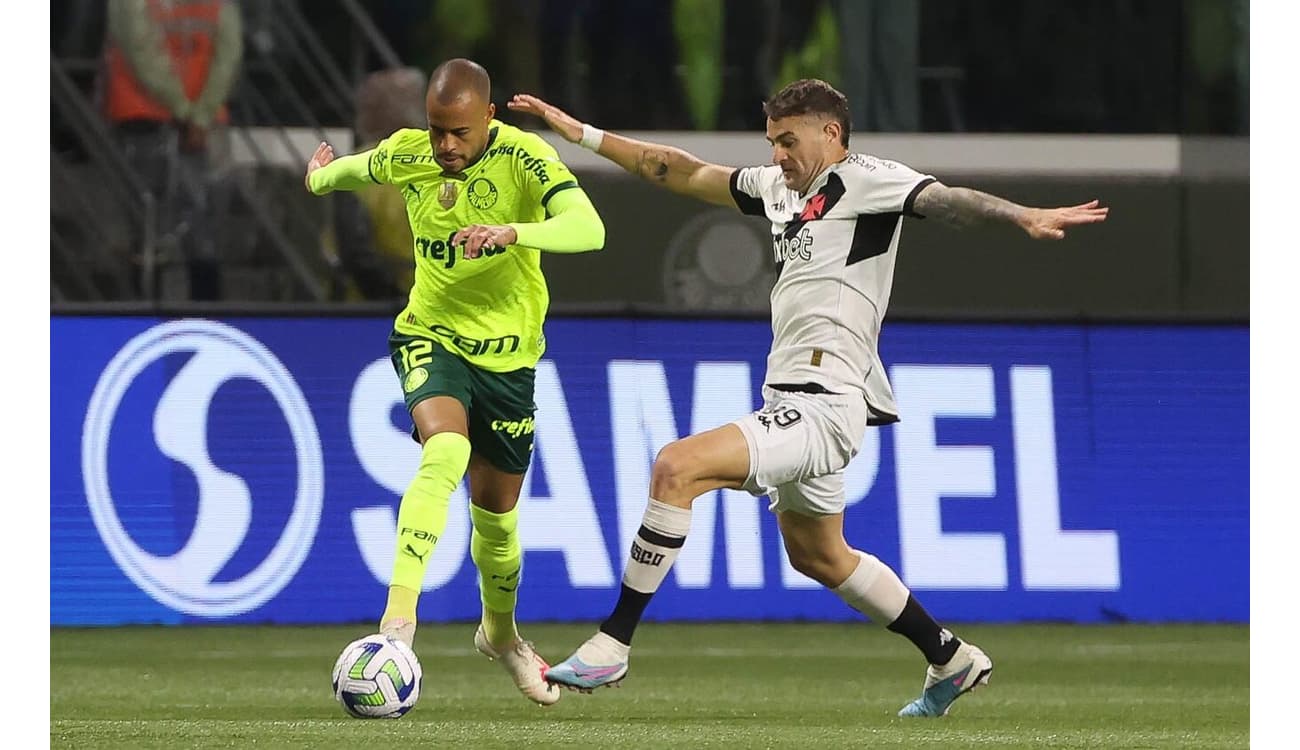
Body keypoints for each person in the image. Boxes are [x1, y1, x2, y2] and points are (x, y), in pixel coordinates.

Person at [509, 79, 1108, 718]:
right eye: (772, 142)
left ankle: (613, 642)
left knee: (675, 467)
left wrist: (1023, 215)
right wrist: (584, 136)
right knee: (818, 553)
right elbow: (677, 171)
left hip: (826, 400)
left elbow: (950, 201)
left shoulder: (870, 179)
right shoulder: (778, 191)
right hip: (794, 393)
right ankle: (951, 658)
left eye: (788, 141)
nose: (777, 156)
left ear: (831, 133)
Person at [305, 58, 606, 706]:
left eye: (459, 133)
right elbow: (361, 167)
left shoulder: (524, 160)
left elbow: (591, 229)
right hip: (430, 336)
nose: (445, 146)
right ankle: (397, 629)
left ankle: (501, 637)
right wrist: (321, 176)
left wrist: (514, 231)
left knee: (497, 525)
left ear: (488, 119)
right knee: (444, 451)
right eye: (437, 130)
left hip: (508, 360)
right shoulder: (412, 155)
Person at [103, 0, 243, 300]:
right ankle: (207, 315)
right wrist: (200, 116)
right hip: (202, 126)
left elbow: (139, 50)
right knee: (202, 227)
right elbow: (228, 53)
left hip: (143, 117)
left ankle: (143, 317)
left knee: (147, 228)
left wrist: (183, 111)